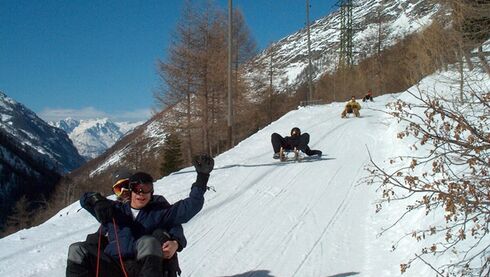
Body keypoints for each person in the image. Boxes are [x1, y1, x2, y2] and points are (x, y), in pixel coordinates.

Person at [66, 154, 214, 277]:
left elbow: (190, 207)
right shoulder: (114, 210)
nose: (141, 194)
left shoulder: (158, 211)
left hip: (143, 265)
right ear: (131, 190)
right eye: (137, 189)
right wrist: (96, 200)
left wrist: (202, 178)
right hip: (114, 266)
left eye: (146, 189)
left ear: (152, 192)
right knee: (77, 249)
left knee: (148, 242)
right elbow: (85, 200)